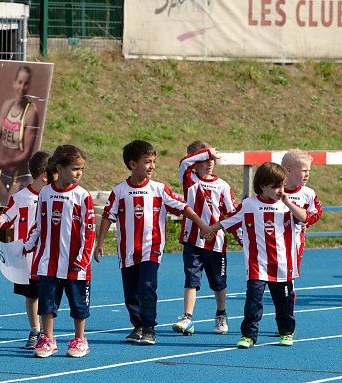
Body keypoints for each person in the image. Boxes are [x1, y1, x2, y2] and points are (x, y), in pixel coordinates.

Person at [94, 140, 211, 345]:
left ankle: (149, 328)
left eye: (154, 161)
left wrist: (202, 224)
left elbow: (183, 207)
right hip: (127, 252)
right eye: (147, 162)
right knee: (131, 292)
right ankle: (137, 326)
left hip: (151, 249)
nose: (152, 166)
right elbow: (107, 216)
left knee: (147, 286)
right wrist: (100, 243)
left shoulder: (159, 189)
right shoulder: (119, 191)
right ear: (132, 164)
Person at [206, 162, 307, 349]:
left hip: (282, 264)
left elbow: (304, 218)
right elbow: (229, 221)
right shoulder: (248, 205)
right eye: (275, 187)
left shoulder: (288, 205)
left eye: (282, 185)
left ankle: (286, 332)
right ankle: (249, 336)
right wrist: (210, 230)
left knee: (284, 302)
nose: (280, 190)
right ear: (262, 186)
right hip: (256, 264)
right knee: (253, 302)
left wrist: (287, 202)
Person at [23, 144, 96, 358]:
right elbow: (38, 223)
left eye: (81, 169)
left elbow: (88, 229)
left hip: (75, 265)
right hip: (48, 262)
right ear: (60, 167)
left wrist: (83, 259)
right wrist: (29, 244)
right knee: (46, 305)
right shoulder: (45, 192)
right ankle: (47, 339)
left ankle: (80, 339)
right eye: (74, 168)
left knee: (78, 306)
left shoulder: (83, 196)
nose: (79, 173)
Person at [172, 141, 242, 336]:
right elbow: (184, 163)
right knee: (191, 279)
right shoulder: (190, 180)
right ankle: (187, 316)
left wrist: (242, 237)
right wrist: (204, 153)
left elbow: (231, 214)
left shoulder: (223, 185)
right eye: (204, 159)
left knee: (218, 282)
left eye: (211, 159)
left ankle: (221, 314)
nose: (209, 162)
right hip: (192, 240)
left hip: (216, 242)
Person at [0, 150, 51, 349]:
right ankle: (35, 331)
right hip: (27, 258)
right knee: (31, 295)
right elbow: (7, 217)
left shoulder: (56, 196)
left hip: (49, 255)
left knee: (48, 294)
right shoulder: (21, 197)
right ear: (45, 175)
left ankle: (47, 332)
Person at [271, 149, 323, 336]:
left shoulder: (308, 193)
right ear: (288, 169)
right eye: (303, 170)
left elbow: (316, 211)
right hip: (269, 245)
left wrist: (305, 220)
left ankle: (285, 323)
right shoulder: (274, 190)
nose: (307, 174)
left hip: (292, 247)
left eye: (309, 170)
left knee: (287, 284)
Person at [0, 65, 39, 205]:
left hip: (19, 174)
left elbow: (26, 153)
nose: (22, 87)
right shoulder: (7, 105)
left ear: (29, 86)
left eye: (26, 83)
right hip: (2, 171)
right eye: (19, 82)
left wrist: (2, 163)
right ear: (14, 83)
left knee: (13, 212)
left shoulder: (31, 113)